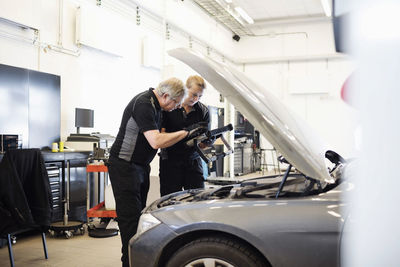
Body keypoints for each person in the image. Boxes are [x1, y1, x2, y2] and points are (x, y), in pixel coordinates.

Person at [108, 77, 206, 267]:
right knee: (130, 220)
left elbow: (160, 138)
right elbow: (156, 141)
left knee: (139, 218)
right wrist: (186, 133)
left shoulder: (158, 106)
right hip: (124, 165)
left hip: (140, 166)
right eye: (176, 103)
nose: (176, 107)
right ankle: (129, 263)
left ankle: (135, 260)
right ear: (166, 95)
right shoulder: (143, 103)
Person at [159, 75, 210, 196]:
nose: (196, 98)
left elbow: (204, 142)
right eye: (193, 94)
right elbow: (161, 135)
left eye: (200, 96)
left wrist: (207, 142)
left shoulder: (203, 111)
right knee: (169, 202)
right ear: (185, 89)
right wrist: (183, 135)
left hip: (193, 162)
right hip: (170, 161)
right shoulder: (169, 106)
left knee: (197, 200)